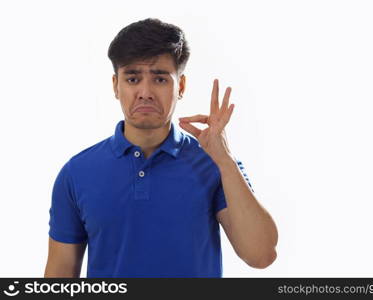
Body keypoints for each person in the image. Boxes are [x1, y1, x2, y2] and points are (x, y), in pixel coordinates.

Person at [44, 18, 278, 278]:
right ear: (115, 86)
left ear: (181, 86)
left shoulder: (215, 164)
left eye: (160, 80)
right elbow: (59, 277)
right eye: (132, 79)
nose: (145, 92)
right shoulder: (77, 173)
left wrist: (225, 161)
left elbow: (261, 255)